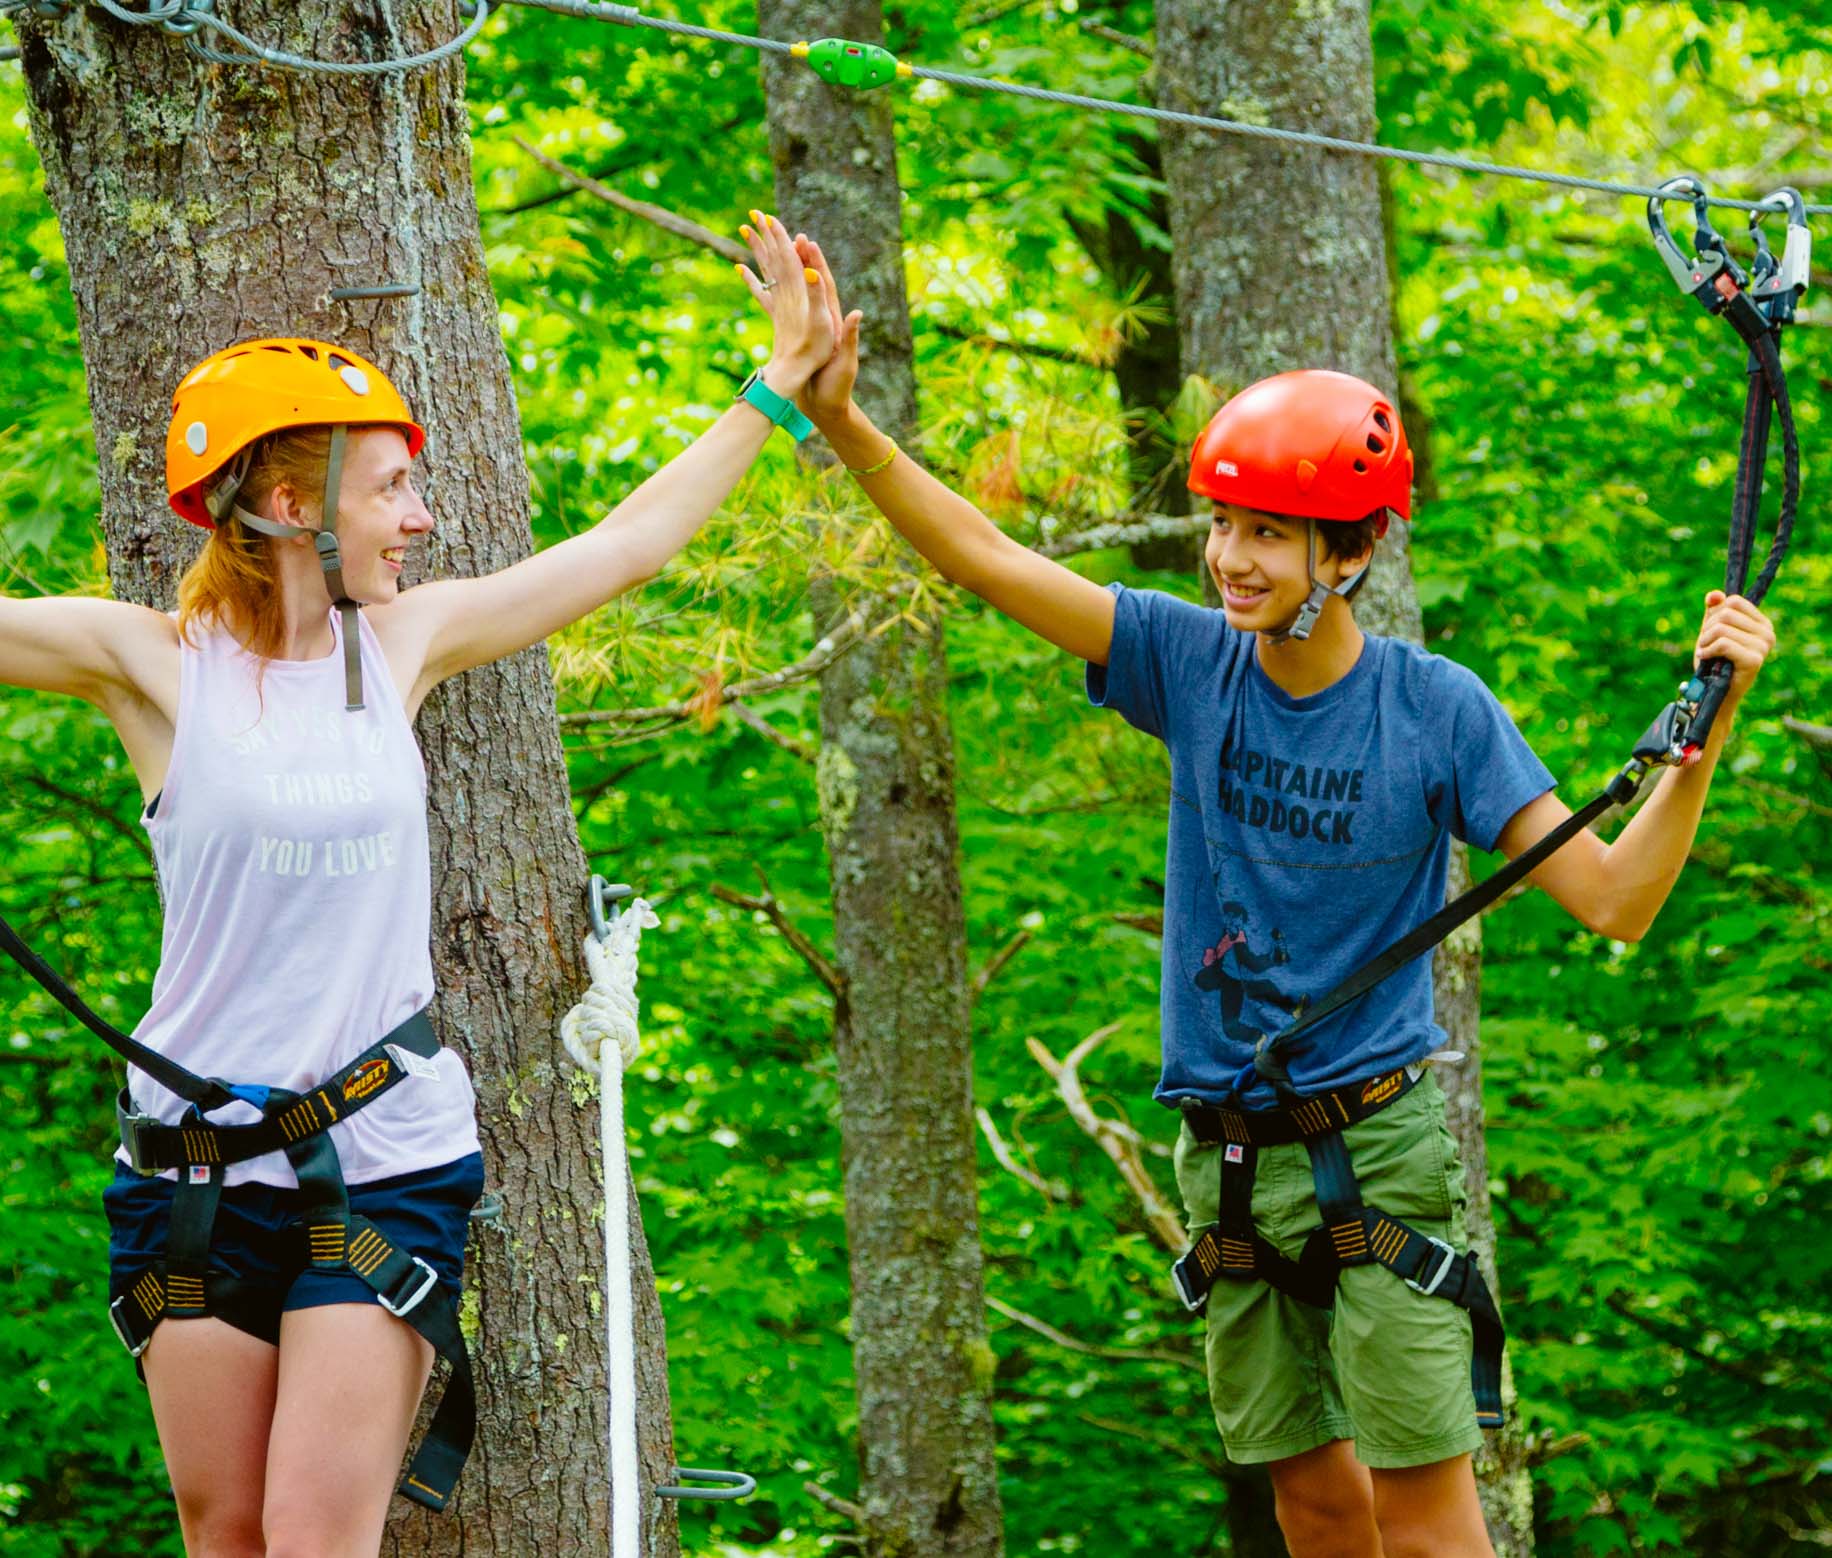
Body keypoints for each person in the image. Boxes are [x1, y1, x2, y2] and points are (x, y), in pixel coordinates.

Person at [787, 235, 1775, 1558]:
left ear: (1354, 551)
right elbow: (986, 559)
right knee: (1311, 1502)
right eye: (1224, 524)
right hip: (1232, 1155)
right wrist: (843, 420)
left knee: (1425, 1515)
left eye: (1268, 533)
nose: (1230, 558)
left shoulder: (1434, 713)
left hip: (1376, 1148)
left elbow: (1615, 899)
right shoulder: (1192, 664)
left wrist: (1703, 742)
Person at [0, 212, 827, 1557]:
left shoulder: (404, 644)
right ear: (285, 504)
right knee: (228, 1537)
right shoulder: (152, 665)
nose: (421, 517)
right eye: (387, 487)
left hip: (381, 1153)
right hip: (194, 1164)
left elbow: (621, 551)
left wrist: (772, 395)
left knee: (316, 1537)